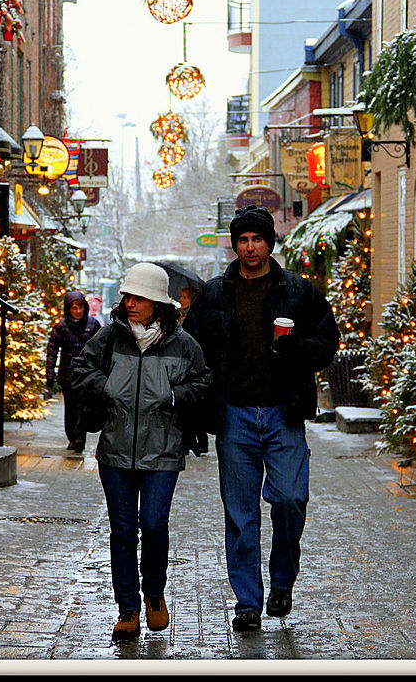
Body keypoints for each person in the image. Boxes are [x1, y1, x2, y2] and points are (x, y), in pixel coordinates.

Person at [183, 204, 340, 632]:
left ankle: (283, 582)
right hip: (233, 416)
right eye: (243, 240)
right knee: (240, 512)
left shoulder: (297, 290)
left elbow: (327, 341)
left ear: (270, 243)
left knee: (290, 499)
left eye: (258, 239)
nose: (251, 247)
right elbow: (191, 355)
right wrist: (195, 415)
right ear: (235, 245)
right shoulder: (214, 293)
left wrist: (297, 351)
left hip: (283, 413)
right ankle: (247, 601)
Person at [70, 262, 212, 642]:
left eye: (140, 298)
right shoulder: (109, 338)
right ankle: (127, 609)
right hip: (116, 451)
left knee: (153, 524)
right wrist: (107, 386)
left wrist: (174, 395)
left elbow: (204, 384)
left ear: (157, 304)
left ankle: (154, 593)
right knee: (121, 529)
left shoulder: (183, 344)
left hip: (163, 453)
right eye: (128, 297)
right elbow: (79, 370)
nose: (130, 303)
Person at [46, 290, 101, 453]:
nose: (78, 311)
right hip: (68, 375)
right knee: (71, 408)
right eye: (74, 308)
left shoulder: (93, 325)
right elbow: (52, 351)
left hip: (87, 374)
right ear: (68, 309)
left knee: (83, 407)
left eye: (80, 307)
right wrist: (50, 375)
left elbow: (101, 348)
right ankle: (72, 437)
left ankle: (79, 439)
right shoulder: (61, 326)